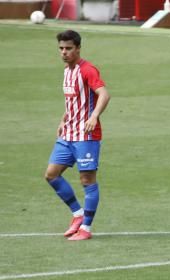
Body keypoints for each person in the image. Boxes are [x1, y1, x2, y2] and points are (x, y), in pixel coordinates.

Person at [45, 30, 110, 242]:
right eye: (61, 48)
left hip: (86, 136)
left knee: (87, 180)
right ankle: (78, 214)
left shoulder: (87, 70)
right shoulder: (67, 71)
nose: (64, 52)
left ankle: (87, 227)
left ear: (78, 48)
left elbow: (104, 94)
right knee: (51, 175)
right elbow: (73, 100)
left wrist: (94, 116)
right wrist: (64, 118)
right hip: (68, 133)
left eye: (68, 48)